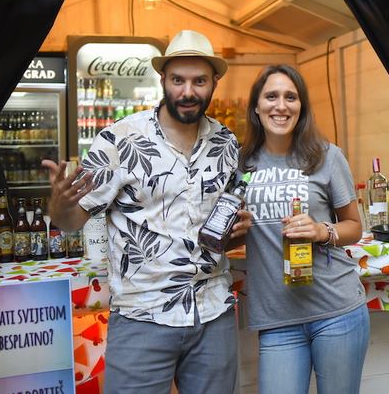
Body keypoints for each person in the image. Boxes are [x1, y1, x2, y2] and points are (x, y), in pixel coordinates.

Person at [43, 30, 253, 394]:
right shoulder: (119, 139)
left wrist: (242, 229)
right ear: (163, 80)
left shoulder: (227, 143)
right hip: (143, 316)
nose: (187, 92)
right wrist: (60, 205)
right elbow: (72, 220)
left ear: (214, 82)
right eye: (178, 80)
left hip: (213, 313)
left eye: (199, 81)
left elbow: (230, 217)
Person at [239, 64, 369, 394]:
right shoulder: (240, 164)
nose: (280, 106)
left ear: (302, 107)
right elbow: (230, 234)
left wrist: (322, 231)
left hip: (336, 310)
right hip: (276, 318)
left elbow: (355, 226)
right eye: (271, 96)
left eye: (290, 97)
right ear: (256, 106)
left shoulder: (326, 155)